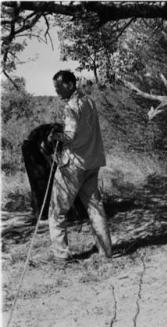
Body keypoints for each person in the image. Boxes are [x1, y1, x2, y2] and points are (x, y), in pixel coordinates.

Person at [47, 70, 112, 261]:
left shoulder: (71, 106)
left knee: (56, 212)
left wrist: (54, 137)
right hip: (92, 163)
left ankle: (61, 257)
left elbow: (70, 136)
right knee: (95, 209)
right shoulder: (89, 101)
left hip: (74, 165)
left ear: (69, 84)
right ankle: (106, 252)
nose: (57, 91)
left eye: (59, 87)